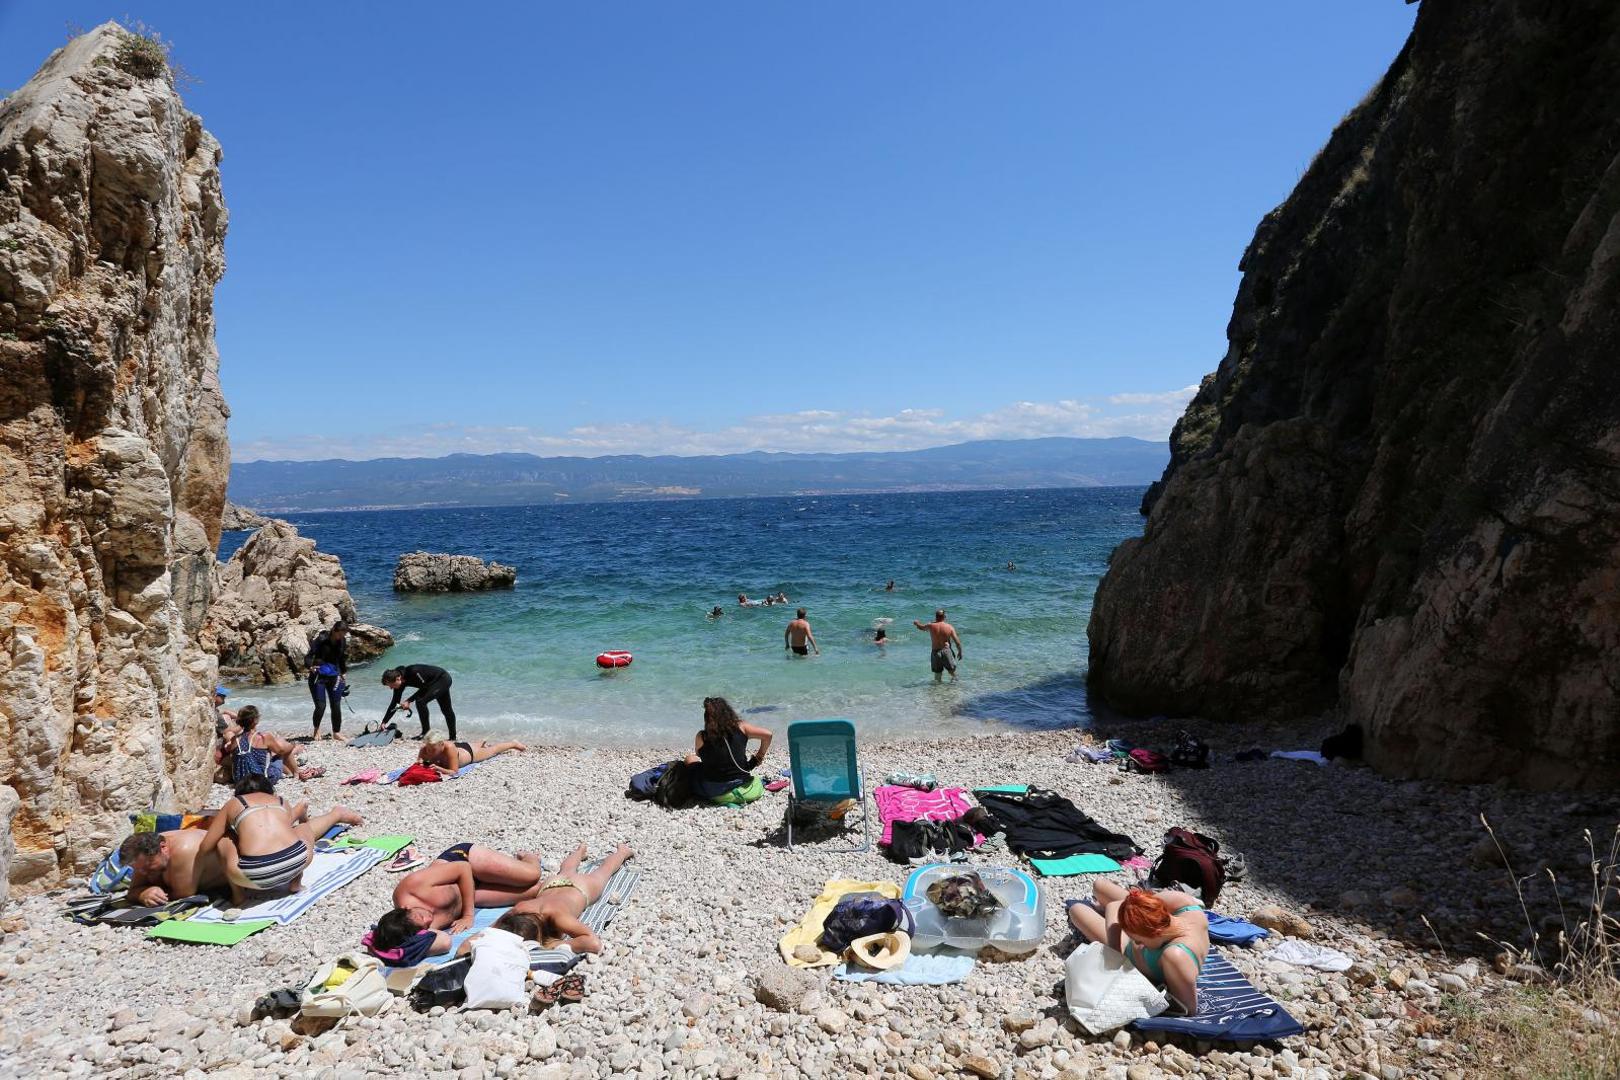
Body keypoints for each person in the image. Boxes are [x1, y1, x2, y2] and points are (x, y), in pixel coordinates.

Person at [197, 775, 363, 906]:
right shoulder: (281, 801)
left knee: (224, 837)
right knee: (301, 830)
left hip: (252, 877)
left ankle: (238, 896)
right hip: (298, 862)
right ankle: (295, 882)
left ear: (239, 793)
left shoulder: (234, 803)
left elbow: (205, 846)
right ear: (270, 791)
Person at [370, 843, 548, 954]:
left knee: (531, 875)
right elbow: (442, 943)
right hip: (472, 894)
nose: (428, 920)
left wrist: (468, 916)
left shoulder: (412, 888)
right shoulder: (413, 929)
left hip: (466, 862)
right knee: (536, 891)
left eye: (421, 916)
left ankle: (529, 857)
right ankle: (506, 873)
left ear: (405, 908)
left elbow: (462, 868)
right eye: (424, 926)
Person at [1066, 881, 1209, 1013]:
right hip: (1123, 948)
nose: (1138, 945)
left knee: (1076, 909)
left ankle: (1099, 909)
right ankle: (1104, 909)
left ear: (1156, 933)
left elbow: (1188, 1009)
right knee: (1099, 885)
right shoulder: (1183, 904)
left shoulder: (1175, 956)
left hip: (1126, 950)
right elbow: (1114, 906)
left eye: (1139, 941)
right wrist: (1114, 953)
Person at [507, 843, 635, 953]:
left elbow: (594, 943)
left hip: (581, 888)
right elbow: (492, 929)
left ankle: (623, 852)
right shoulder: (521, 908)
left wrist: (552, 945)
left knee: (605, 870)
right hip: (552, 885)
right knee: (567, 869)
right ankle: (580, 851)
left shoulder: (557, 917)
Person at [685, 696, 772, 806]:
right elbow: (768, 735)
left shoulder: (702, 736)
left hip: (714, 789)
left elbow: (699, 754)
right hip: (741, 782)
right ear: (728, 712)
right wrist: (760, 755)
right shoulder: (742, 727)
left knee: (690, 758)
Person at [120, 829, 230, 907]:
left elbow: (183, 894)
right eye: (138, 869)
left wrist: (150, 893)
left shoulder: (184, 849)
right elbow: (133, 891)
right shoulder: (144, 856)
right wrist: (143, 894)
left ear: (163, 848)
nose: (143, 873)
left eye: (148, 865)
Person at [217, 705, 317, 786]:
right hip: (263, 781)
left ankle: (293, 772)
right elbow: (282, 751)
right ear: (255, 720)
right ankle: (296, 772)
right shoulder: (264, 736)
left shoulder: (235, 739)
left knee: (269, 751)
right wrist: (292, 746)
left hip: (240, 782)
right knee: (283, 747)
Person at [381, 665, 458, 740]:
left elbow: (426, 688)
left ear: (398, 678)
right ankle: (452, 738)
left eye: (391, 685)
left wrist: (409, 701)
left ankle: (427, 733)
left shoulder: (413, 672)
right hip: (434, 684)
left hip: (442, 679)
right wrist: (384, 722)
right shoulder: (398, 684)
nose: (391, 688)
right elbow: (394, 703)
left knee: (421, 702)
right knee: (445, 709)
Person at [304, 620, 349, 739]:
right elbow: (308, 656)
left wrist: (343, 672)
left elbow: (341, 658)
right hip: (318, 677)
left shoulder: (342, 641)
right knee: (321, 706)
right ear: (334, 630)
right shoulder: (322, 639)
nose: (341, 637)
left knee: (336, 705)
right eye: (340, 634)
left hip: (334, 676)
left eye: (343, 635)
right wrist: (310, 666)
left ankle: (336, 732)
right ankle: (316, 729)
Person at [418, 737, 527, 775]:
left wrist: (438, 768)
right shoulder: (425, 749)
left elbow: (454, 771)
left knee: (493, 750)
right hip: (461, 747)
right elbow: (419, 762)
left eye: (433, 749)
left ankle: (513, 743)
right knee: (477, 744)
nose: (429, 751)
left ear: (441, 745)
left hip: (470, 754)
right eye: (428, 748)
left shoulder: (449, 748)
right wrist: (420, 762)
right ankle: (482, 741)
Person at [913, 608, 963, 682]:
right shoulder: (949, 627)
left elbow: (921, 627)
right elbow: (957, 642)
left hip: (935, 652)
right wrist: (960, 652)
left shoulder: (931, 625)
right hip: (946, 651)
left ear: (936, 616)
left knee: (937, 675)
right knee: (951, 671)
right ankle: (955, 687)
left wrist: (917, 623)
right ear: (944, 617)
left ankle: (938, 691)